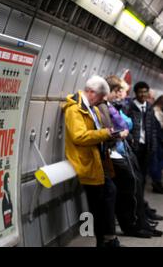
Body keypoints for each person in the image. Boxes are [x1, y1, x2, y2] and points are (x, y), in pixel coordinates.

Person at [63, 75, 126, 247]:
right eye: (99, 97)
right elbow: (79, 136)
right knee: (98, 205)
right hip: (86, 162)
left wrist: (110, 133)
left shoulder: (91, 108)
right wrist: (107, 133)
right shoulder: (74, 110)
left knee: (107, 195)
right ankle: (105, 241)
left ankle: (108, 239)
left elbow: (98, 129)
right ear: (91, 92)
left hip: (97, 160)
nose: (99, 101)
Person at [105, 75, 162, 238]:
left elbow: (145, 128)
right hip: (118, 151)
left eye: (120, 91)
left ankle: (140, 220)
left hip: (125, 150)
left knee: (137, 184)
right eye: (117, 91)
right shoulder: (116, 107)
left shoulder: (115, 106)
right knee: (130, 188)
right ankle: (133, 224)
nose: (119, 94)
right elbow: (125, 124)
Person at [125, 82, 163, 194]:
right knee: (133, 177)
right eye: (140, 92)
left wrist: (153, 147)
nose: (143, 94)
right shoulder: (129, 107)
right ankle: (134, 205)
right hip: (134, 146)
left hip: (146, 147)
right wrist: (130, 140)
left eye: (145, 91)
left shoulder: (149, 108)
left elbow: (153, 130)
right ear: (136, 93)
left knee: (142, 176)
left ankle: (141, 205)